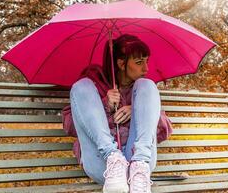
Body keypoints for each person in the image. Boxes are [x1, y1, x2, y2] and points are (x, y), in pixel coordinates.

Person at [62, 34, 172, 193]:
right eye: (139, 62)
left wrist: (135, 110)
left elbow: (164, 131)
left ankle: (139, 165)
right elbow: (71, 127)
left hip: (140, 162)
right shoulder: (95, 84)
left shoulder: (142, 92)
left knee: (147, 84)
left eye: (146, 61)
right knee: (81, 86)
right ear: (121, 63)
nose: (146, 68)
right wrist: (104, 106)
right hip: (104, 164)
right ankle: (113, 157)